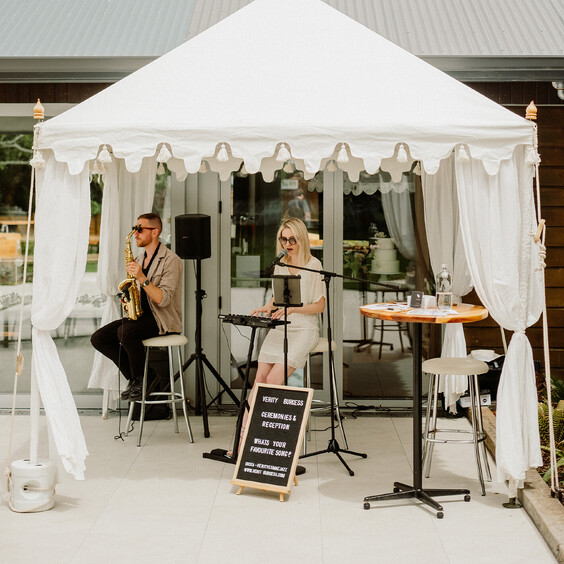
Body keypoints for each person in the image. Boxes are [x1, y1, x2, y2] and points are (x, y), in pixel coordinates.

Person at [231, 218, 324, 454]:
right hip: (282, 326)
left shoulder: (314, 265)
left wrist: (293, 310)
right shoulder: (280, 264)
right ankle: (243, 440)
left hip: (304, 329)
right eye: (284, 239)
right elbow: (278, 298)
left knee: (272, 381)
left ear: (302, 239)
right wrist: (267, 307)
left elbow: (320, 306)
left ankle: (255, 439)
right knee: (259, 380)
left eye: (292, 239)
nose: (288, 244)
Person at [91, 212, 183, 401]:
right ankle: (139, 378)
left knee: (125, 333)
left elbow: (163, 299)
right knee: (98, 338)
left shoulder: (171, 260)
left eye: (139, 229)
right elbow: (137, 292)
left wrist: (142, 277)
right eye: (135, 229)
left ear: (155, 232)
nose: (135, 234)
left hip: (162, 320)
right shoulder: (139, 259)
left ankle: (142, 379)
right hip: (140, 317)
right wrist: (128, 299)